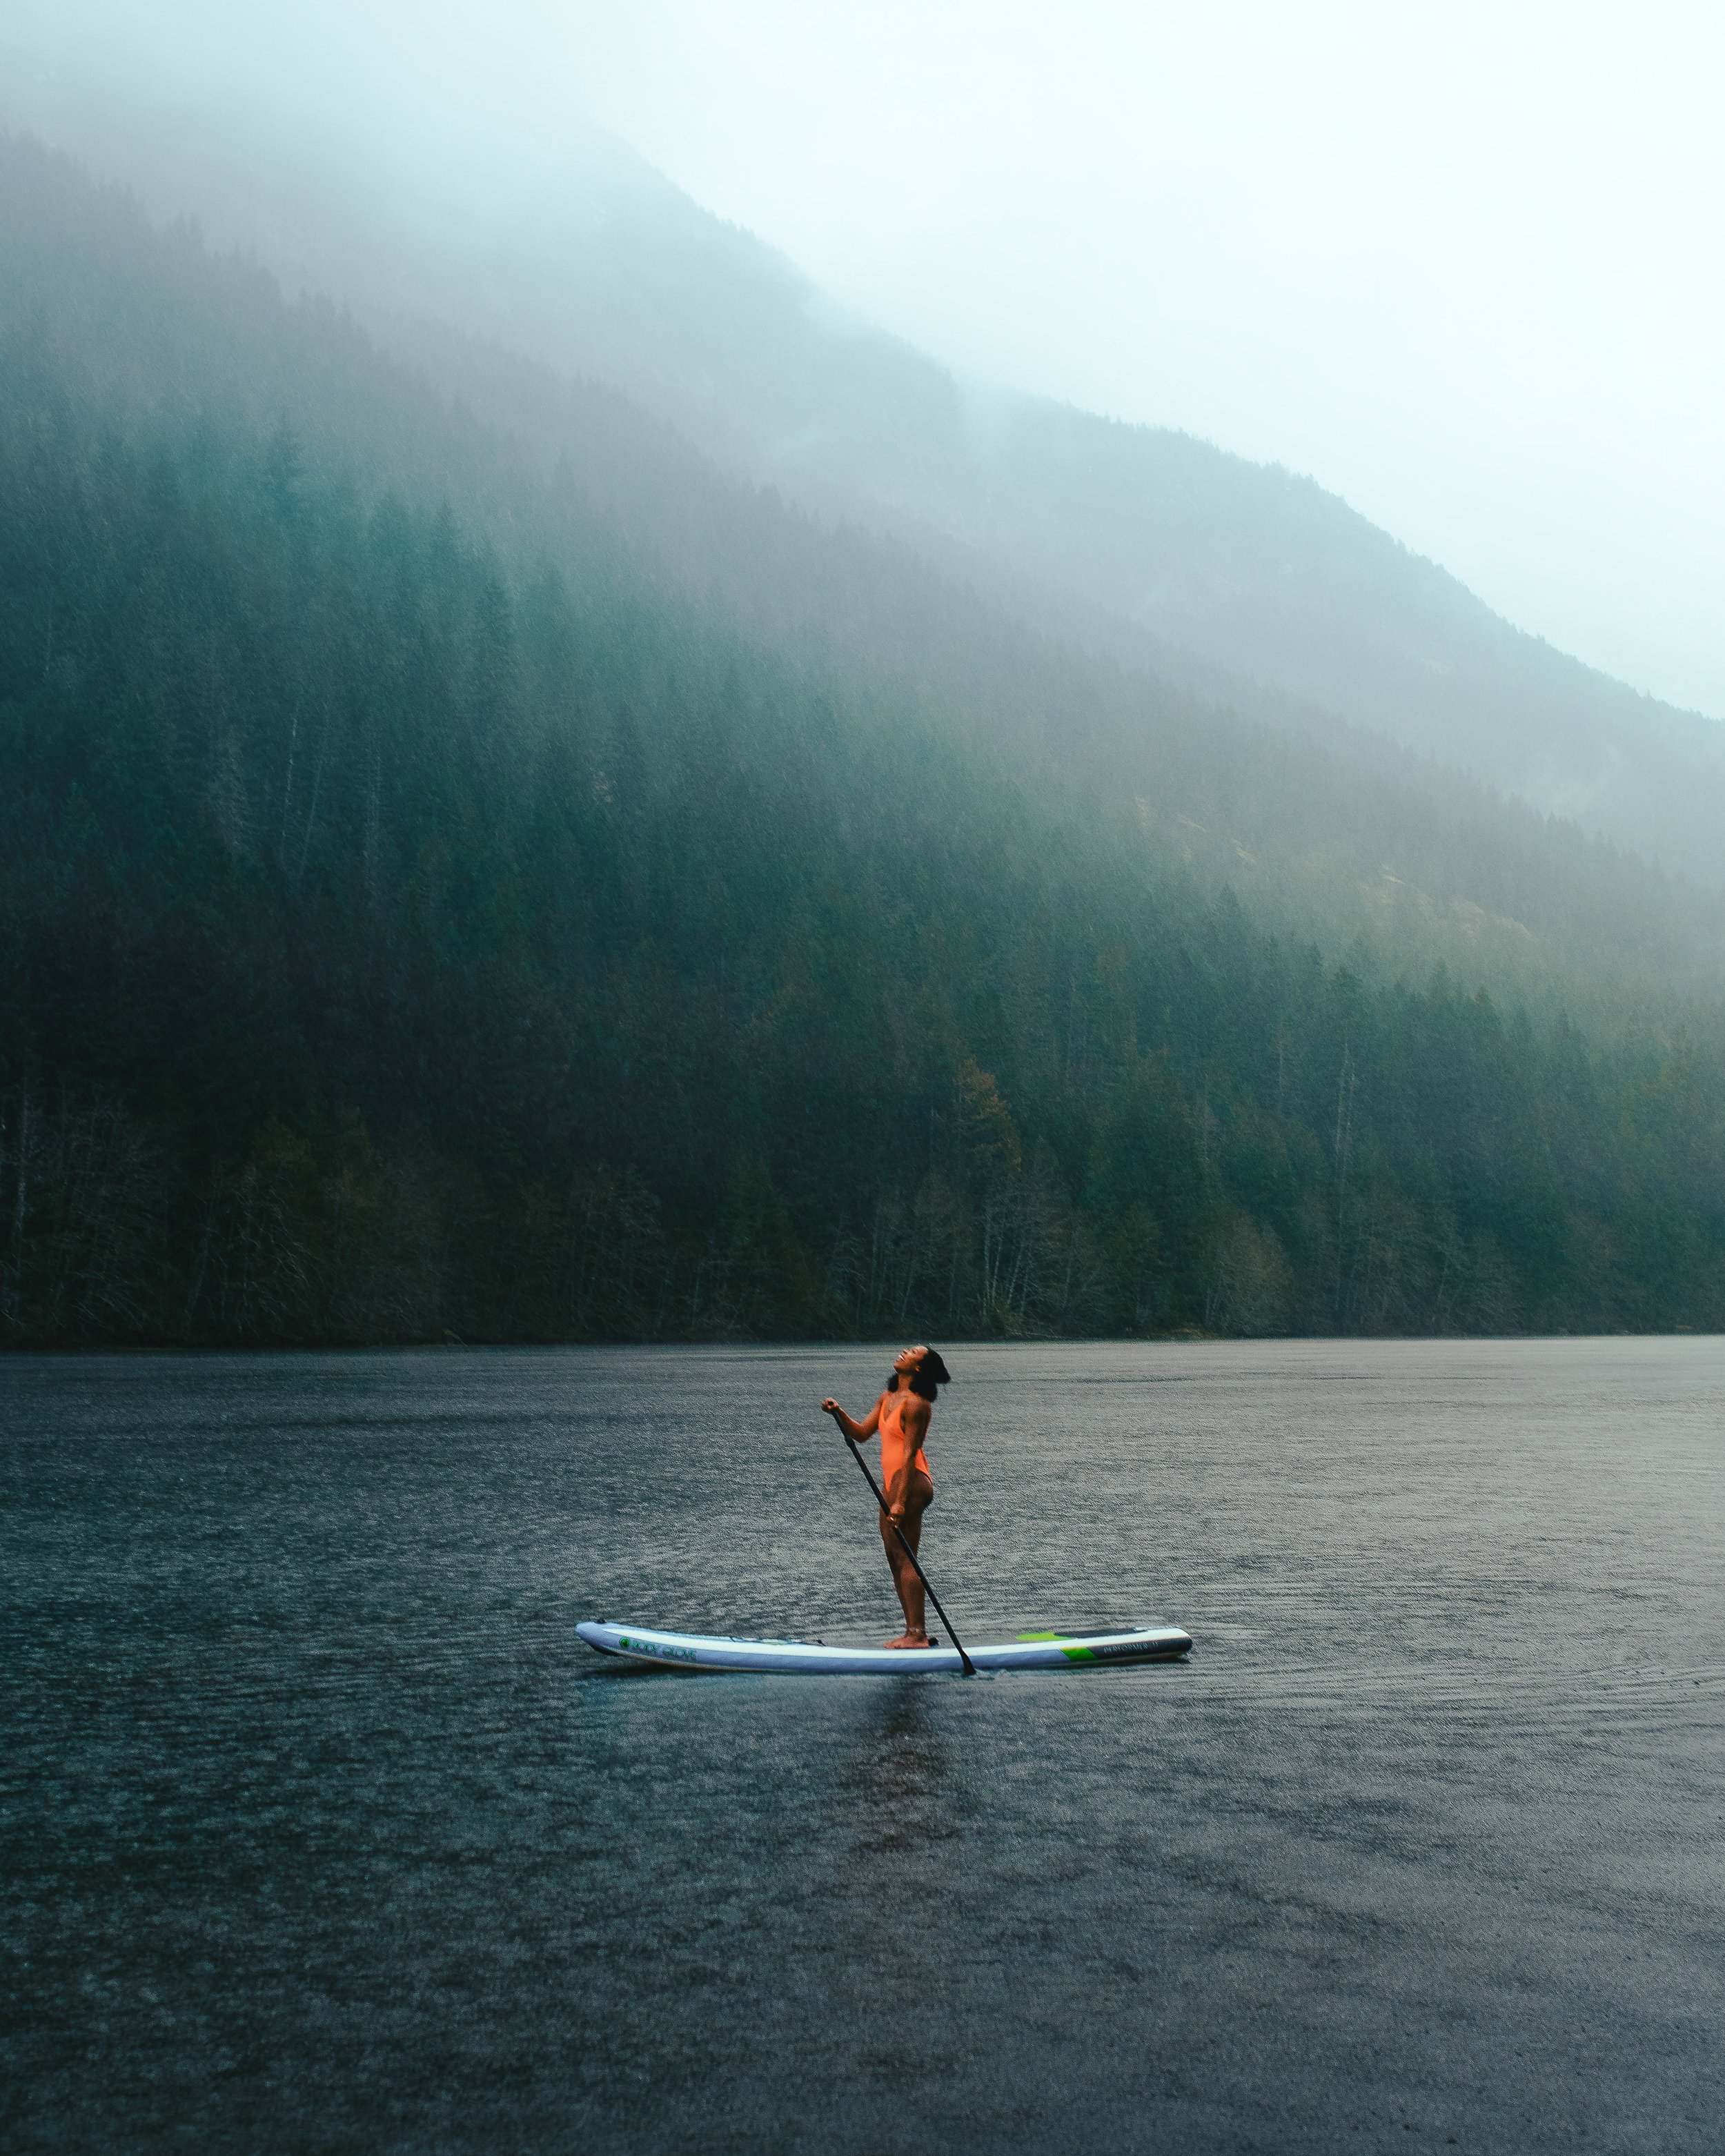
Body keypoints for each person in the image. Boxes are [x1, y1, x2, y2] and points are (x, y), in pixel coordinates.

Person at [821, 1345, 953, 1648]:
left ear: (919, 1368)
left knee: (906, 1558)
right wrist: (838, 1412)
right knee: (895, 1558)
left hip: (912, 1483)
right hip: (892, 1484)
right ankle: (912, 1631)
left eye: (912, 1352)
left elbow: (908, 1456)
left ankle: (918, 1635)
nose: (904, 1352)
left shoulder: (917, 1405)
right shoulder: (887, 1398)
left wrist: (900, 1501)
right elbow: (862, 1433)